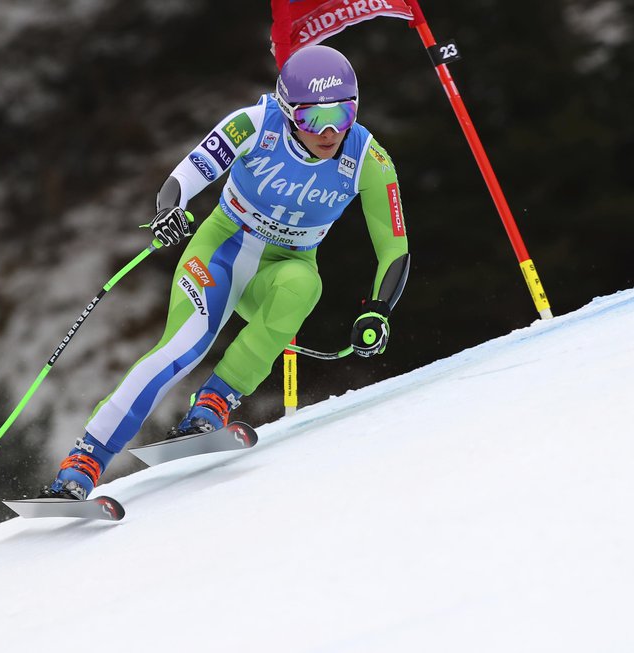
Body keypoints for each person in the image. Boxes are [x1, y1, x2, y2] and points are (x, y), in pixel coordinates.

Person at [41, 45, 411, 500]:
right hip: (219, 251)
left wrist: (378, 310)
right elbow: (189, 172)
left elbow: (394, 246)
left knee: (303, 286)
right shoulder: (256, 125)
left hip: (283, 266)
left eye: (343, 113)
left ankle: (213, 405)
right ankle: (83, 462)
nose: (330, 130)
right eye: (314, 118)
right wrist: (168, 209)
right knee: (184, 347)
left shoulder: (369, 160)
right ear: (287, 110)